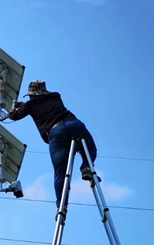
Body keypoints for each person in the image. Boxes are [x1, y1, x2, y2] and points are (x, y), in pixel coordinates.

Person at [7, 80, 98, 209]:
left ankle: (61, 205)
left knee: (60, 172)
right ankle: (86, 167)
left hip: (56, 133)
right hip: (73, 124)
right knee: (90, 148)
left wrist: (14, 110)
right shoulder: (56, 96)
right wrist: (26, 105)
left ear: (32, 94)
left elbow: (15, 116)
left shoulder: (29, 105)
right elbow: (42, 104)